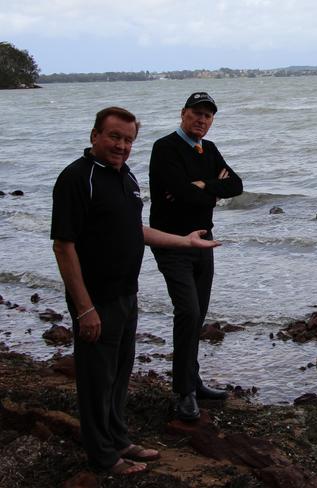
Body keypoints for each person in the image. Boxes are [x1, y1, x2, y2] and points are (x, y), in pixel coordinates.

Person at [51, 106, 221, 475]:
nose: (122, 146)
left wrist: (185, 242)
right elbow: (63, 247)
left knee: (119, 373)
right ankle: (103, 457)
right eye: (114, 137)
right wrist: (83, 308)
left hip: (126, 293)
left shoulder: (125, 177)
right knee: (96, 380)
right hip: (95, 298)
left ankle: (118, 438)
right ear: (95, 135)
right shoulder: (77, 178)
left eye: (128, 140)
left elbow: (137, 230)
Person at [148, 92, 243, 421]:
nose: (202, 120)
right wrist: (204, 188)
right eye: (196, 114)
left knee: (198, 314)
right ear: (183, 114)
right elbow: (182, 194)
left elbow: (237, 186)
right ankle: (183, 392)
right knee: (187, 311)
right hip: (172, 242)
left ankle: (193, 380)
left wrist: (203, 185)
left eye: (208, 116)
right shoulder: (165, 148)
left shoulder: (211, 149)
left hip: (205, 240)